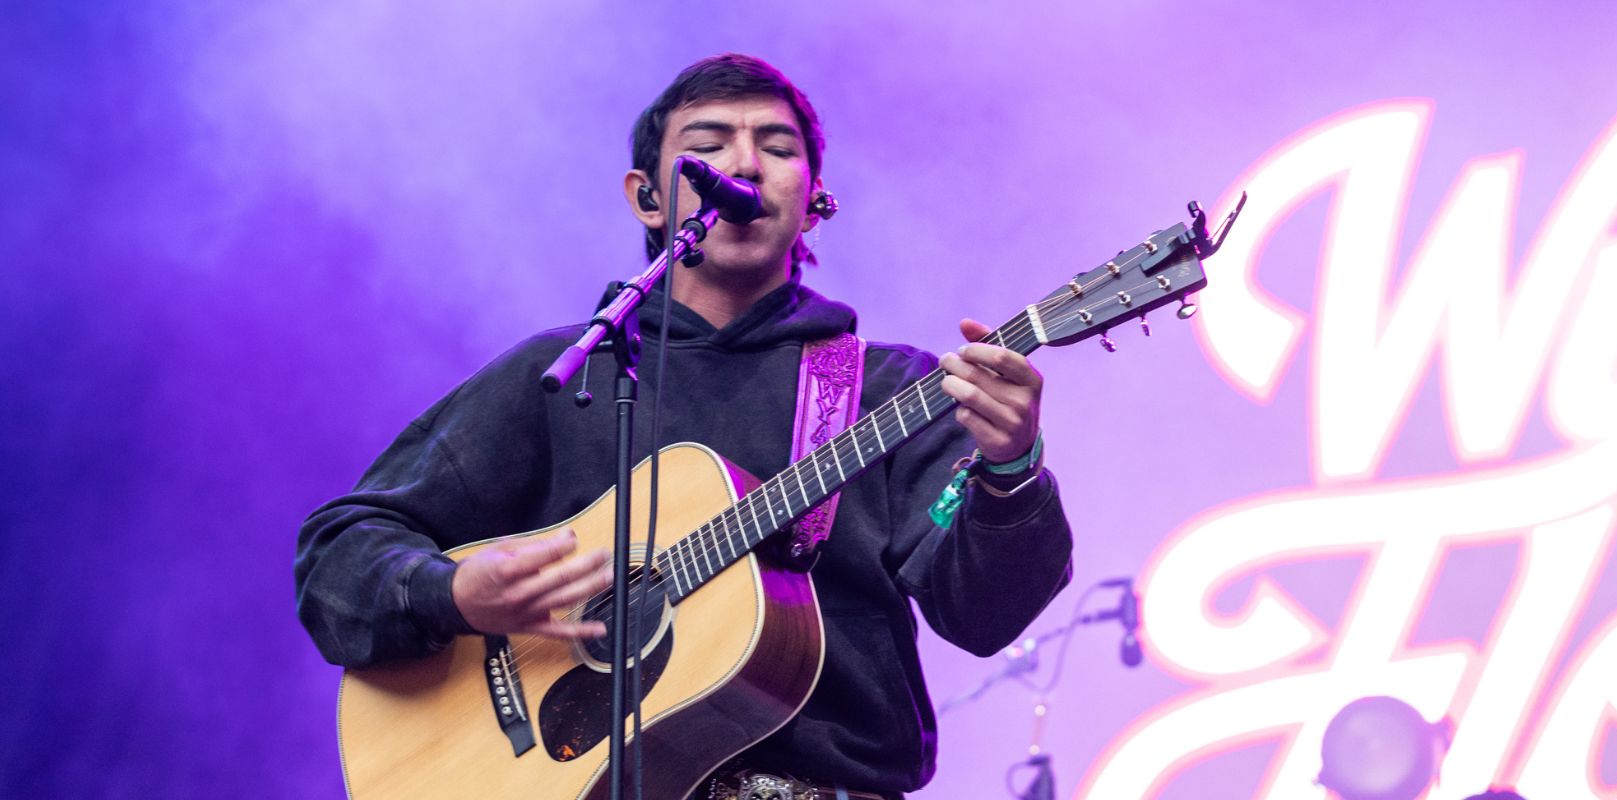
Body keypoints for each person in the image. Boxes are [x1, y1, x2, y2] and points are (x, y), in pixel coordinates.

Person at [295, 53, 1074, 799]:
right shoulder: (567, 374)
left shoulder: (889, 390)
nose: (742, 167)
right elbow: (338, 553)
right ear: (647, 197)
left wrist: (1010, 471)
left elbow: (984, 618)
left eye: (777, 147)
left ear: (814, 197)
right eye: (707, 148)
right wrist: (454, 592)